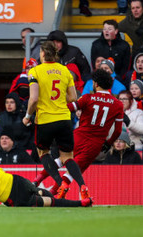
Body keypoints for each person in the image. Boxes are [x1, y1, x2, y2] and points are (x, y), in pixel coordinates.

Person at [34, 69, 125, 189]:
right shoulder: (118, 104)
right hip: (95, 144)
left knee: (61, 160)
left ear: (96, 84)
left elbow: (69, 108)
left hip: (78, 136)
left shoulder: (87, 98)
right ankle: (54, 194)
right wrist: (108, 143)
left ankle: (36, 181)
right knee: (73, 171)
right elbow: (118, 131)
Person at [23, 41, 87, 200]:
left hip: (45, 119)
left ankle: (58, 183)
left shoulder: (35, 71)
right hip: (64, 119)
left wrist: (27, 116)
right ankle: (82, 186)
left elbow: (33, 99)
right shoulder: (65, 71)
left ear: (43, 54)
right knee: (67, 157)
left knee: (43, 153)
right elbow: (73, 97)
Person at [0, 139, 93, 207]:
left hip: (12, 196)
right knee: (39, 192)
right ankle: (79, 200)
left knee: (49, 203)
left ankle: (81, 203)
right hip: (16, 180)